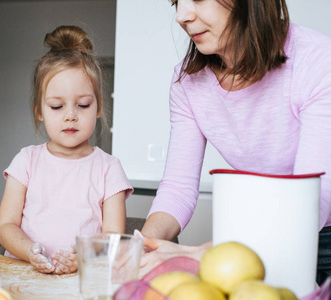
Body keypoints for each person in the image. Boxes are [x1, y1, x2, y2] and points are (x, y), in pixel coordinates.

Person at [139, 0, 331, 284]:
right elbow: (178, 189)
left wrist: (207, 252)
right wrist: (141, 248)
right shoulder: (187, 82)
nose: (181, 16)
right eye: (176, 1)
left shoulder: (318, 60)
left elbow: (313, 201)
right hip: (255, 239)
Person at [0, 25, 133, 275]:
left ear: (98, 107)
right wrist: (30, 252)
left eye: (82, 105)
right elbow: (6, 226)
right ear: (39, 110)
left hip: (82, 279)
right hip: (24, 274)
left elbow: (113, 238)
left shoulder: (109, 168)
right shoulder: (26, 161)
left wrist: (82, 259)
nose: (70, 116)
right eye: (57, 107)